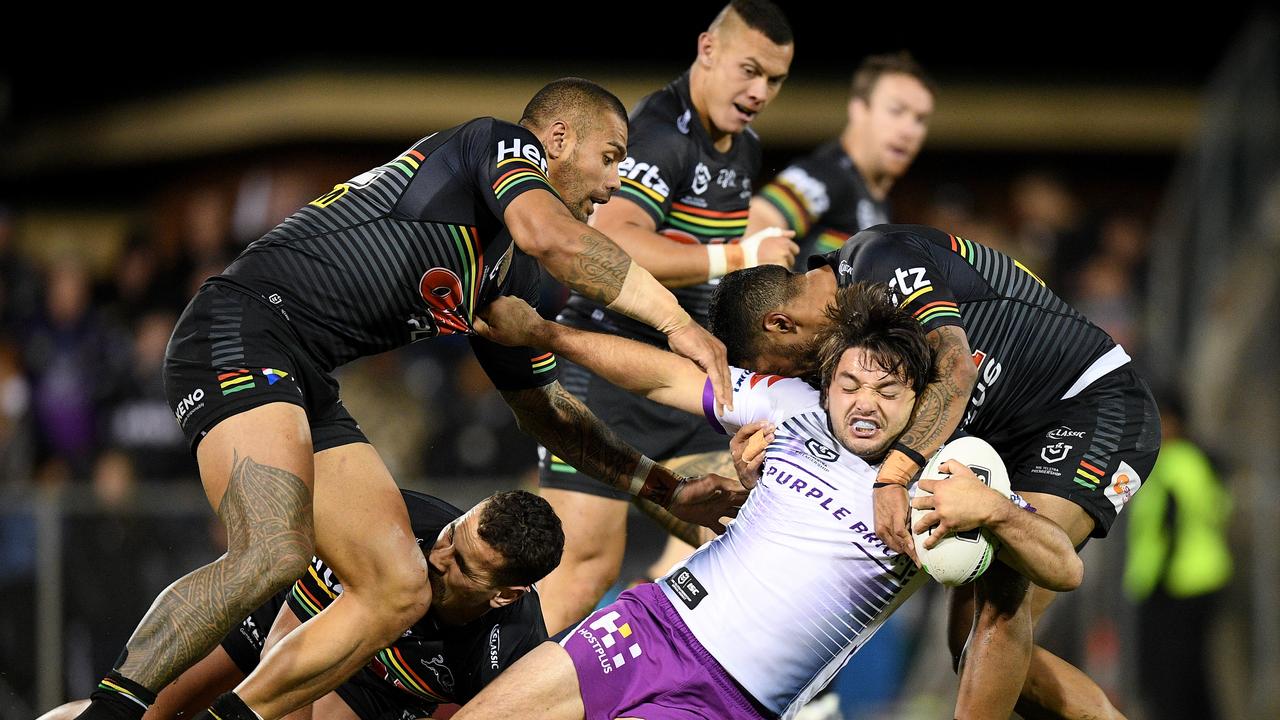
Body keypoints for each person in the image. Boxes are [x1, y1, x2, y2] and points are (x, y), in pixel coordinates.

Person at [74, 78, 747, 720]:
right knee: (274, 552)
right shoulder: (500, 144)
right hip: (240, 328)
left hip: (305, 373)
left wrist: (661, 488)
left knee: (398, 586)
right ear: (559, 137)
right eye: (610, 158)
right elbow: (556, 238)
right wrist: (678, 322)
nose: (614, 182)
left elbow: (550, 417)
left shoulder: (510, 276)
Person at [462, 283, 1081, 720]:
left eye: (889, 391)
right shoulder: (791, 407)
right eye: (851, 384)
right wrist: (546, 333)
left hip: (729, 702)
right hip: (652, 625)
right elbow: (662, 377)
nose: (865, 404)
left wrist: (997, 510)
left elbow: (1065, 567)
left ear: (919, 400)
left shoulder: (945, 482)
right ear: (828, 380)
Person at [710, 223, 1161, 717]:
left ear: (780, 323)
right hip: (1004, 441)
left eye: (783, 366)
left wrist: (894, 476)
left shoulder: (880, 259)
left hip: (1088, 405)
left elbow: (958, 367)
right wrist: (761, 469)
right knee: (971, 651)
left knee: (1001, 602)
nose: (797, 376)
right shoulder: (850, 342)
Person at [536, 0, 798, 635]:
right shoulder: (659, 131)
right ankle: (474, 693)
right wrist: (744, 253)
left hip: (686, 391)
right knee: (581, 571)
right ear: (707, 48)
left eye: (776, 80)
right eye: (749, 70)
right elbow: (616, 242)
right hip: (609, 382)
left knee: (757, 539)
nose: (760, 91)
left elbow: (703, 269)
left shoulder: (743, 146)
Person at [42, 489, 562, 720]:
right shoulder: (391, 522)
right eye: (452, 535)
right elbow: (285, 647)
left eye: (463, 566)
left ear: (506, 594)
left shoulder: (518, 654)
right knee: (146, 715)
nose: (438, 559)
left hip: (377, 691)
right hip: (288, 622)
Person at [747, 52, 935, 266]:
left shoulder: (878, 203)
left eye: (920, 119)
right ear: (859, 109)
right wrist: (782, 295)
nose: (909, 130)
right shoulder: (827, 174)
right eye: (896, 111)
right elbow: (757, 220)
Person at [1123, 395, 1232, 720]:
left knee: (1168, 679)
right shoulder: (1195, 461)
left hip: (1177, 585)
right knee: (1193, 675)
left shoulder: (1174, 463)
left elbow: (1171, 524)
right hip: (1198, 579)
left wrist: (1158, 582)